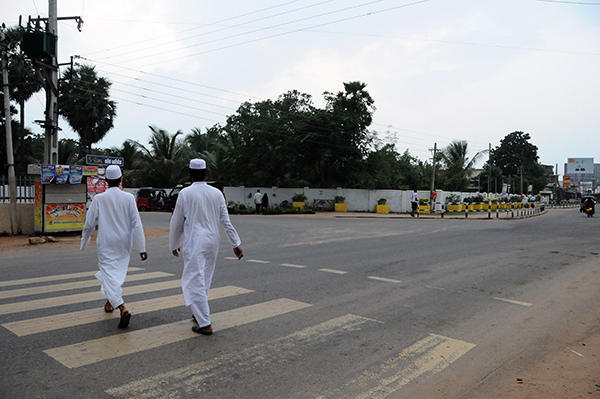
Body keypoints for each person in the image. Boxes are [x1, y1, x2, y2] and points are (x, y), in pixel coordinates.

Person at [170, 159, 244, 336]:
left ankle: (205, 324)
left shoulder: (185, 193)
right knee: (204, 278)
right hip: (213, 241)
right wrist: (236, 243)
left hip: (195, 241)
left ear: (190, 173)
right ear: (205, 173)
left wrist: (174, 243)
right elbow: (226, 221)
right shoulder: (217, 193)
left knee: (194, 280)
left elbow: (176, 222)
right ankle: (199, 314)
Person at [81, 165, 147, 329]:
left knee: (108, 272)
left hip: (106, 243)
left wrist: (84, 242)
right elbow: (136, 224)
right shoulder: (129, 198)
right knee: (114, 274)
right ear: (120, 180)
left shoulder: (99, 199)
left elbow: (89, 224)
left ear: (106, 181)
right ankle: (110, 303)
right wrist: (141, 248)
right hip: (123, 243)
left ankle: (122, 307)